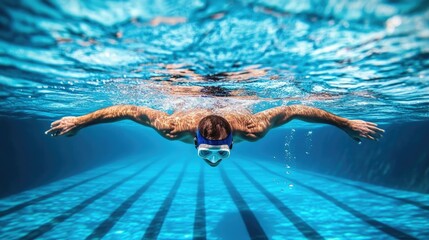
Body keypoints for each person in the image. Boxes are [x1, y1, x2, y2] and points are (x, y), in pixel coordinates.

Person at [45, 105, 384, 167]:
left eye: (219, 154)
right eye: (209, 153)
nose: (212, 161)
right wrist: (80, 120)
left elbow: (295, 108)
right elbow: (129, 109)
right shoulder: (171, 127)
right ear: (194, 141)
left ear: (232, 143)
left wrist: (344, 123)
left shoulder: (253, 129)